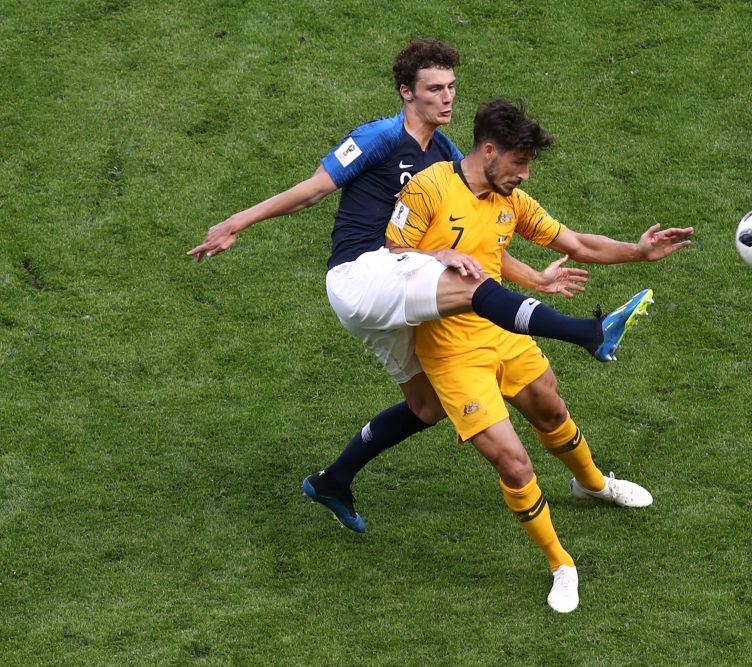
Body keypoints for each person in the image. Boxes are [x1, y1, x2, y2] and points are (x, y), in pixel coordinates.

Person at [187, 40, 655, 534]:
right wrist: (238, 221)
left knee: (428, 406)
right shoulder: (378, 137)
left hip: (397, 281)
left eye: (451, 87)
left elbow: (481, 245)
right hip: (362, 273)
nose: (447, 98)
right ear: (406, 92)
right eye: (434, 88)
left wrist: (533, 275)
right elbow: (312, 192)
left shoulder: (451, 157)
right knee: (466, 285)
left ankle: (332, 481)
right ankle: (587, 331)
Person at [385, 98, 694, 613]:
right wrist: (437, 254)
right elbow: (388, 254)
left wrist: (639, 252)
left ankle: (592, 485)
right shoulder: (428, 188)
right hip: (450, 351)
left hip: (503, 332)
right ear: (489, 151)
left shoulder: (511, 201)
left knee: (552, 408)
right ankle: (561, 563)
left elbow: (575, 243)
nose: (525, 175)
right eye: (520, 163)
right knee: (513, 461)